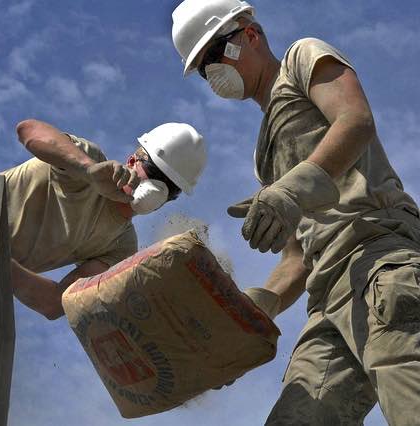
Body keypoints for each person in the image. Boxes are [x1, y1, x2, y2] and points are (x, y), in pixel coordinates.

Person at [172, 1, 420, 424]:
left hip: (377, 260)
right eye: (201, 68)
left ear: (249, 34)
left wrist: (293, 187)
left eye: (214, 54)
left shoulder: (301, 59)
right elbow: (297, 258)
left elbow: (355, 120)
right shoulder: (262, 155)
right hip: (326, 300)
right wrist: (251, 311)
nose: (211, 72)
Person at [0, 118, 206, 425]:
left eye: (169, 189)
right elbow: (28, 131)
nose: (155, 190)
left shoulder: (120, 245)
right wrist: (86, 169)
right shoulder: (85, 163)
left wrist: (0, 259)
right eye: (153, 173)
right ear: (132, 160)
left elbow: (53, 303)